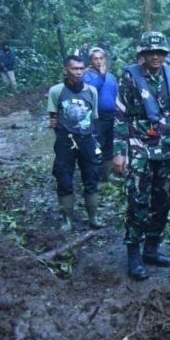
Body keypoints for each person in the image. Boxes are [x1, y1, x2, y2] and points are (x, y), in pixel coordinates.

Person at [114, 31, 170, 281]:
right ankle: (134, 253)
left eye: (160, 52)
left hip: (167, 144)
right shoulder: (131, 77)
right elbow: (120, 114)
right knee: (137, 200)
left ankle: (152, 248)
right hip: (138, 144)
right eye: (150, 52)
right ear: (142, 54)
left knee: (164, 198)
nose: (155, 56)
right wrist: (119, 152)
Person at [47, 56, 104, 232]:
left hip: (86, 140)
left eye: (81, 69)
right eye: (74, 69)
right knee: (64, 178)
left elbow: (94, 117)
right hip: (65, 141)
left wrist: (95, 141)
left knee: (92, 177)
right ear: (66, 70)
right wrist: (60, 131)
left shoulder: (92, 91)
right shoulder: (56, 91)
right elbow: (53, 117)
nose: (78, 72)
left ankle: (93, 217)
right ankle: (67, 220)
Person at [83, 48, 118, 175]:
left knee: (110, 144)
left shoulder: (111, 77)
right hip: (96, 116)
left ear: (105, 59)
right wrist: (101, 75)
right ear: (90, 61)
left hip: (112, 115)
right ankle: (95, 175)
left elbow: (116, 95)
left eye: (101, 58)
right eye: (95, 59)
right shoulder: (86, 76)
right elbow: (91, 90)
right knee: (97, 145)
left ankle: (108, 174)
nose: (98, 61)